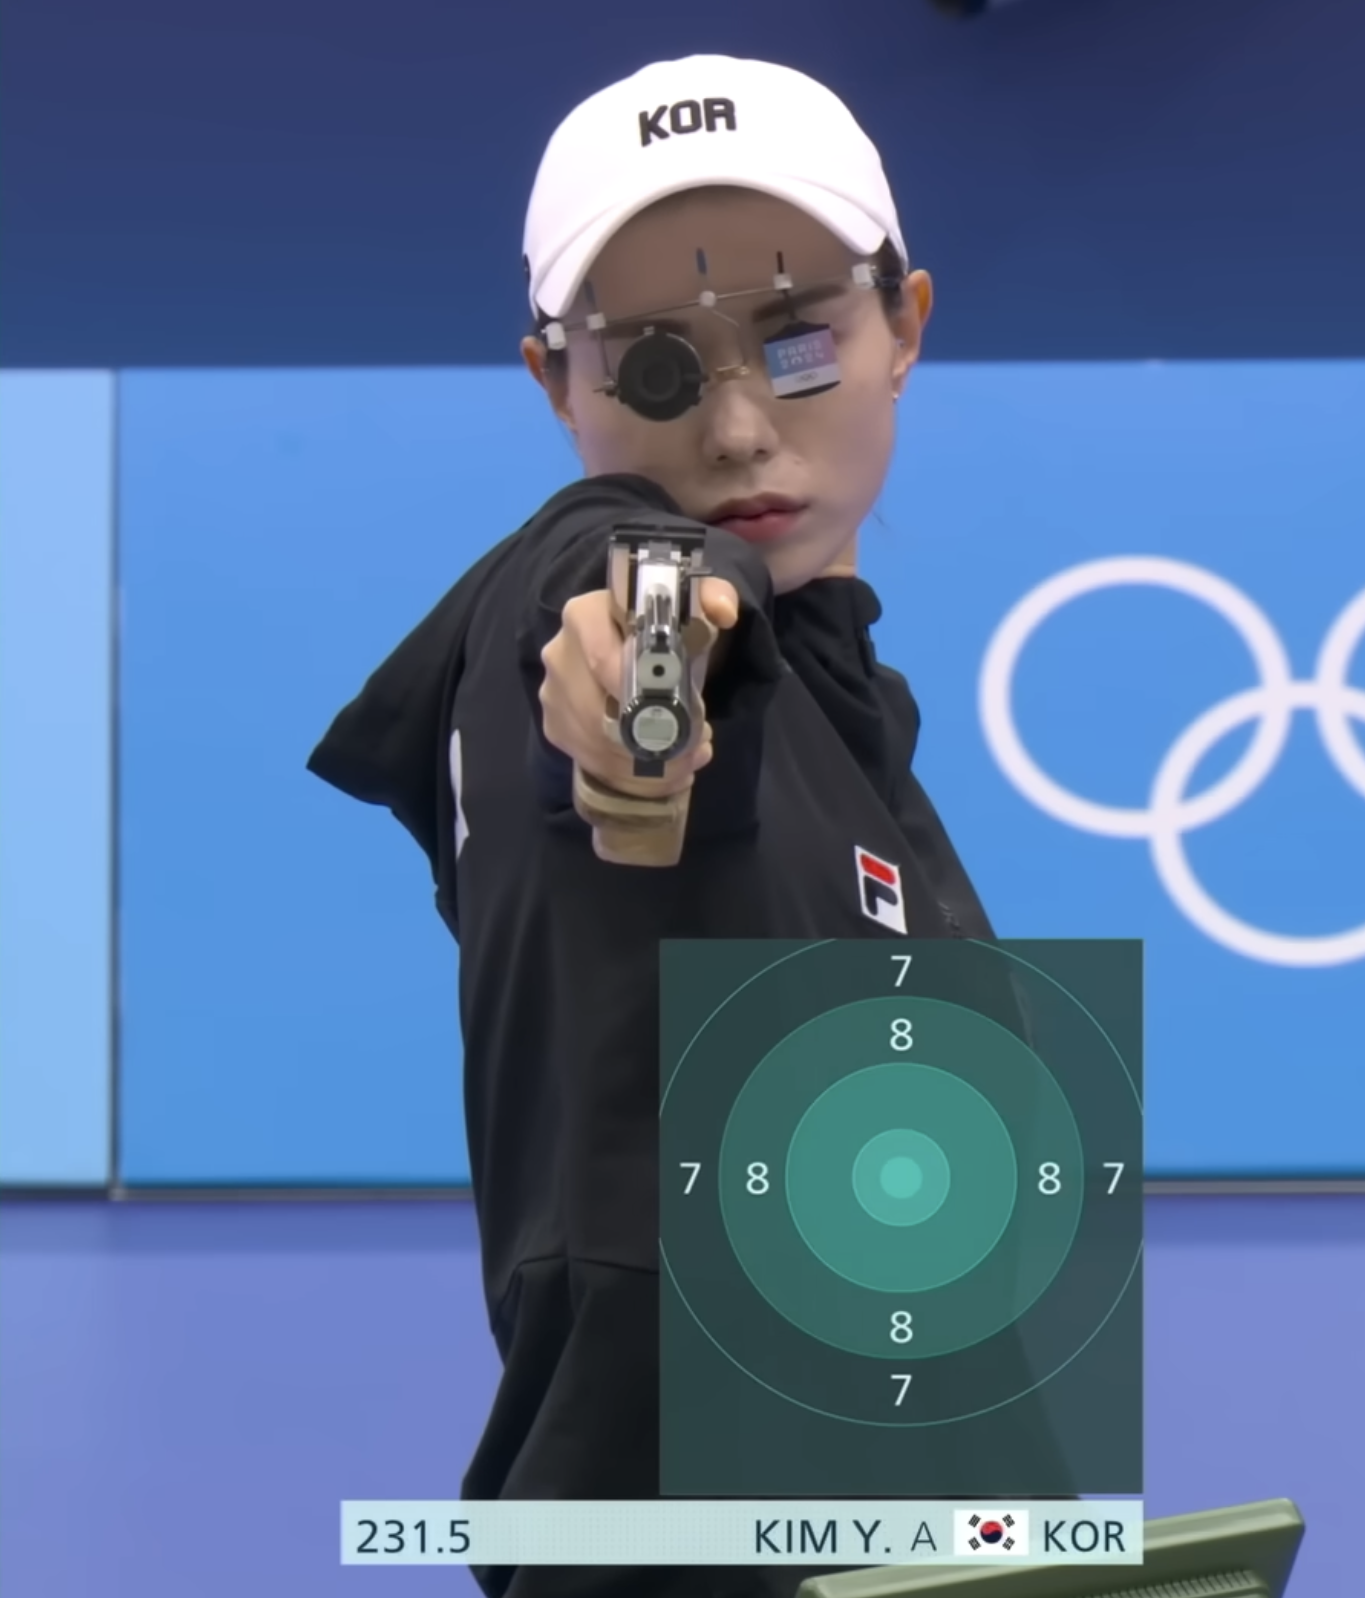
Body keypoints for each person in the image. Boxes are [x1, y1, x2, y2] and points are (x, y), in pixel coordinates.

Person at [308, 55, 982, 1598]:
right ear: (556, 383)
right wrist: (643, 669)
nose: (737, 429)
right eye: (658, 368)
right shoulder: (573, 596)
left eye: (798, 336)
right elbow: (624, 589)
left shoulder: (857, 721)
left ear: (906, 325)